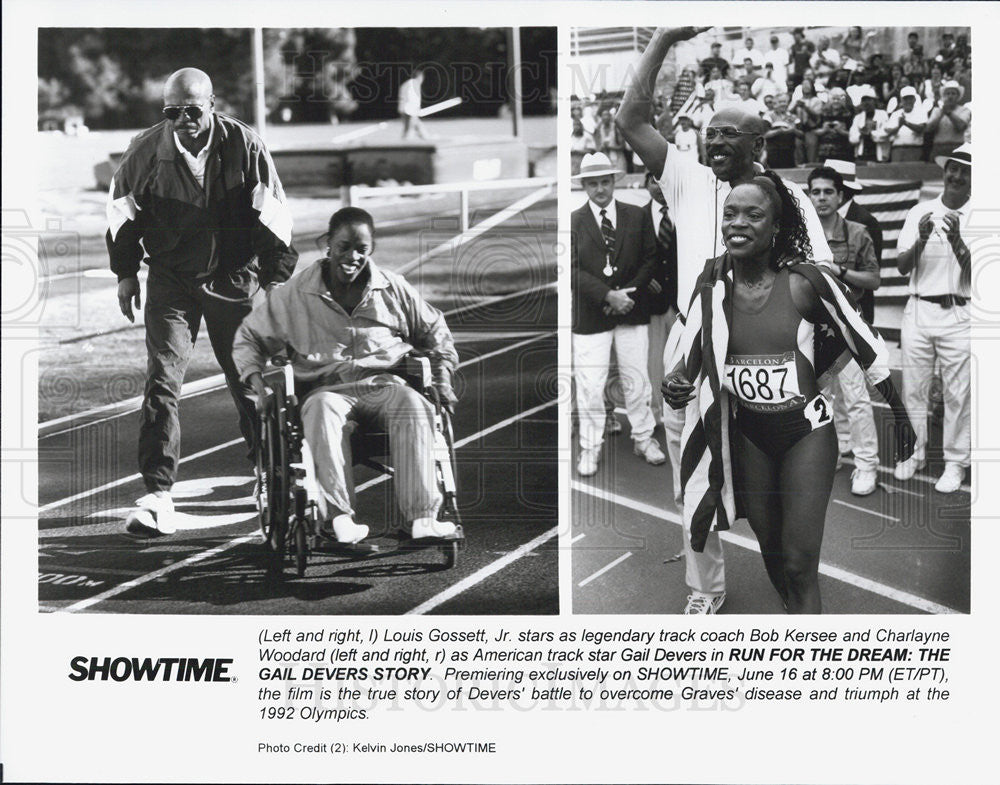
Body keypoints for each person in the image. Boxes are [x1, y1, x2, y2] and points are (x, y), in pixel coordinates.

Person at [615, 26, 834, 615]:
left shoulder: (792, 203)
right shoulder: (686, 177)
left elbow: (822, 288)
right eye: (709, 133)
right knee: (694, 475)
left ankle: (794, 576)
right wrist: (661, 40)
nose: (714, 141)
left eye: (729, 134)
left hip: (766, 357)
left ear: (759, 142)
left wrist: (809, 369)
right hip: (693, 349)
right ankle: (705, 588)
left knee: (772, 491)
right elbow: (630, 120)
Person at [662, 173, 915, 613]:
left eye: (753, 215)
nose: (737, 223)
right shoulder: (711, 284)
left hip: (806, 436)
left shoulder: (805, 283)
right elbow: (691, 362)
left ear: (776, 227)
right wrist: (677, 384)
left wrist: (900, 415)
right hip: (751, 438)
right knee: (775, 557)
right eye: (730, 214)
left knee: (799, 564)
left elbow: (865, 343)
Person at [107, 67, 298, 534]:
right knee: (162, 380)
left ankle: (269, 475)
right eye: (172, 112)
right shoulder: (146, 151)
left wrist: (274, 279)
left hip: (234, 276)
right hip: (172, 277)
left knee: (247, 378)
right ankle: (157, 493)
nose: (183, 120)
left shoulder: (244, 146)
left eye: (192, 110)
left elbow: (275, 215)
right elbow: (120, 213)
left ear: (213, 104)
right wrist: (126, 273)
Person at [232, 207, 459, 543]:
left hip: (384, 385)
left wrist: (441, 379)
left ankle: (423, 518)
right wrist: (258, 385)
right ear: (328, 245)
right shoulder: (296, 293)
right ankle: (340, 520)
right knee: (321, 411)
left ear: (371, 250)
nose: (352, 257)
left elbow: (435, 330)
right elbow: (249, 338)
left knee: (414, 405)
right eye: (343, 247)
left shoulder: (393, 288)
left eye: (361, 249)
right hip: (327, 390)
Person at [571, 152, 666, 477]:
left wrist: (626, 295)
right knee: (590, 385)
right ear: (584, 185)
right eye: (593, 183)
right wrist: (606, 295)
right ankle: (590, 447)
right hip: (591, 315)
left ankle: (644, 438)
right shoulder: (573, 221)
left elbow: (650, 259)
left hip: (630, 310)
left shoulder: (636, 216)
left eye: (604, 181)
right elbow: (570, 269)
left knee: (637, 379)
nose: (600, 189)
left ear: (614, 182)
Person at [893, 144, 972, 494]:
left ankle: (956, 462)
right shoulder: (920, 211)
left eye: (965, 171)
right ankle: (916, 452)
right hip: (919, 307)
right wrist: (923, 239)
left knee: (959, 393)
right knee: (914, 387)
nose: (955, 176)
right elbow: (902, 266)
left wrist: (956, 240)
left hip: (962, 311)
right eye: (952, 168)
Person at [807, 166, 882, 496]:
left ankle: (867, 465)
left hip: (848, 327)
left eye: (827, 191)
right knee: (820, 398)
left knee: (856, 398)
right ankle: (832, 452)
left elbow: (874, 280)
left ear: (840, 195)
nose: (821, 197)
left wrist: (838, 270)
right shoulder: (801, 235)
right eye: (815, 191)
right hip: (811, 328)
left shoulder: (857, 232)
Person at [822, 159, 884, 323]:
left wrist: (838, 270)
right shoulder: (816, 219)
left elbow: (871, 274)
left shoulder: (865, 222)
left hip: (857, 310)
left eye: (828, 189)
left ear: (840, 190)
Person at [642, 172, 678, 427]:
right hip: (652, 303)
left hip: (680, 301)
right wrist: (643, 280)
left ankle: (679, 411)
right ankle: (655, 412)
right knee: (654, 360)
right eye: (653, 180)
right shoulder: (637, 217)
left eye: (662, 180)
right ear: (646, 184)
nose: (658, 186)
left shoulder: (686, 214)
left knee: (679, 360)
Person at [925, 81, 970, 161]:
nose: (950, 96)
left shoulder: (964, 110)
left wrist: (949, 113)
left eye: (953, 94)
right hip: (938, 147)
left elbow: (961, 126)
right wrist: (941, 113)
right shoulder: (936, 111)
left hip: (956, 147)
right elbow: (928, 129)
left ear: (958, 96)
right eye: (948, 94)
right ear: (944, 96)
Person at [885, 86, 928, 162]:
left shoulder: (921, 112)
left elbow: (921, 129)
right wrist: (899, 126)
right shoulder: (895, 114)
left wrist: (905, 123)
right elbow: (888, 132)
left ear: (914, 99)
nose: (908, 101)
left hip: (914, 149)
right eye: (905, 99)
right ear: (901, 100)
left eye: (910, 98)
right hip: (897, 149)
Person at [848, 85, 890, 162]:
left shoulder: (883, 114)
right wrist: (861, 135)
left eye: (869, 100)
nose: (866, 103)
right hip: (862, 155)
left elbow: (886, 133)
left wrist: (870, 133)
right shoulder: (858, 118)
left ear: (875, 101)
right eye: (864, 100)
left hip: (879, 155)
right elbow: (852, 138)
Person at [814, 88, 855, 162]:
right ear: (829, 100)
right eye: (833, 99)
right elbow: (815, 131)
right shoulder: (823, 114)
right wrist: (824, 130)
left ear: (843, 100)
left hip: (843, 150)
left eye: (838, 99)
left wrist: (841, 131)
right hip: (825, 151)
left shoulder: (848, 115)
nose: (836, 101)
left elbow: (853, 134)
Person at [763, 93, 800, 169]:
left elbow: (802, 134)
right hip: (774, 151)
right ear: (775, 104)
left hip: (790, 151)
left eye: (785, 101)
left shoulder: (793, 117)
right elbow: (764, 134)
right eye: (780, 102)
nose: (783, 104)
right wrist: (779, 131)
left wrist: (793, 130)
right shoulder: (768, 116)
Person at [399, 68, 427, 140]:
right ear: (420, 77)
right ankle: (408, 141)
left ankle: (424, 137)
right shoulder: (415, 83)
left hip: (403, 108)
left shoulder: (406, 83)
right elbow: (413, 97)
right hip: (410, 109)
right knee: (410, 127)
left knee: (411, 126)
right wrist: (416, 108)